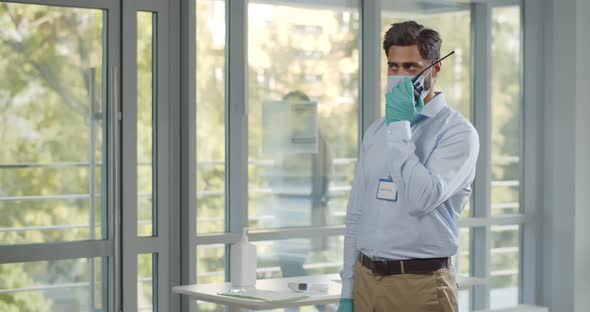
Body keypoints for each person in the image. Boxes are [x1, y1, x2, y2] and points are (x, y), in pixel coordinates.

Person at [337, 21, 479, 312]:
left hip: (420, 285)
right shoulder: (376, 131)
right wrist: (348, 291)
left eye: (411, 67)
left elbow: (421, 198)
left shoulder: (457, 133)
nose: (399, 76)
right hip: (367, 281)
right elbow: (356, 215)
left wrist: (400, 125)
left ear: (435, 69)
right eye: (393, 67)